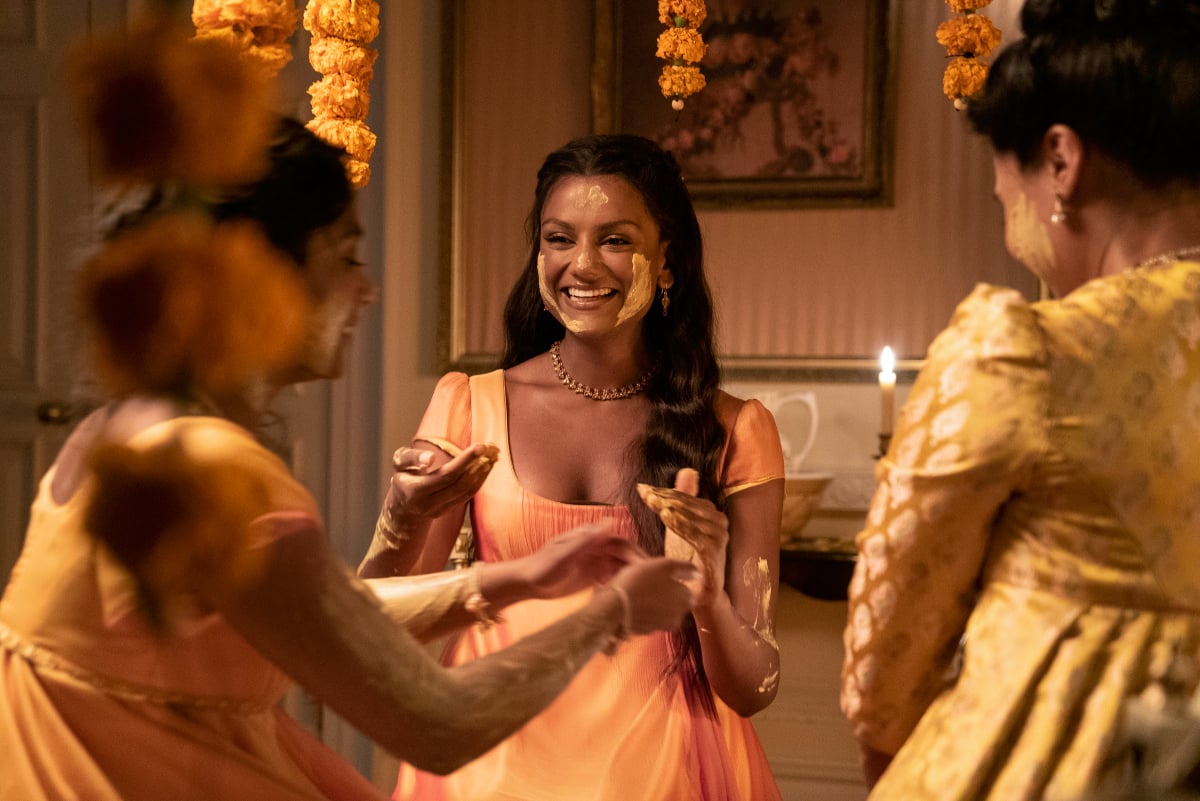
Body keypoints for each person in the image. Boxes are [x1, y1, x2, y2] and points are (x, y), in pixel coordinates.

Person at [0, 24, 697, 801]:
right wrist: (610, 613)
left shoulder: (127, 433)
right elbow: (437, 720)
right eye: (344, 257)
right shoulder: (219, 477)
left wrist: (511, 581)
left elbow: (323, 614)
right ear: (254, 282)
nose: (364, 290)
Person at [839, 1, 1200, 799]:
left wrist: (890, 738)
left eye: (1010, 198)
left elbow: (895, 618)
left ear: (1062, 162)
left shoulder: (1028, 351)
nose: (1015, 225)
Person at [359, 133, 787, 801]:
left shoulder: (736, 430)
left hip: (667, 772)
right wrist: (399, 518)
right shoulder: (466, 406)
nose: (581, 264)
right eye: (559, 239)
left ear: (666, 260)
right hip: (487, 765)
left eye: (615, 239)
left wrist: (705, 595)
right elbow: (375, 631)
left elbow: (754, 685)